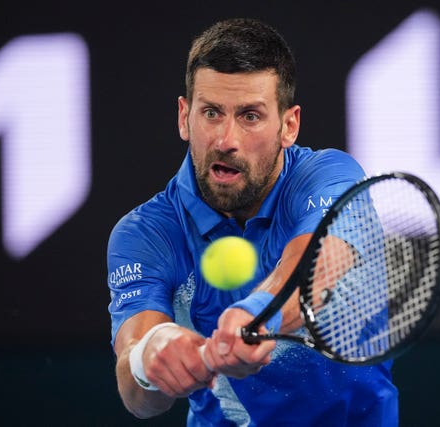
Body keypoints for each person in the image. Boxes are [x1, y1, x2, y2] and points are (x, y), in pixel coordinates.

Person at [107, 17, 398, 426]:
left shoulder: (330, 175)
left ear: (288, 125)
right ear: (183, 117)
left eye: (250, 116)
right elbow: (137, 393)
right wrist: (149, 358)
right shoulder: (146, 233)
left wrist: (258, 314)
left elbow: (317, 264)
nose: (226, 140)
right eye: (211, 113)